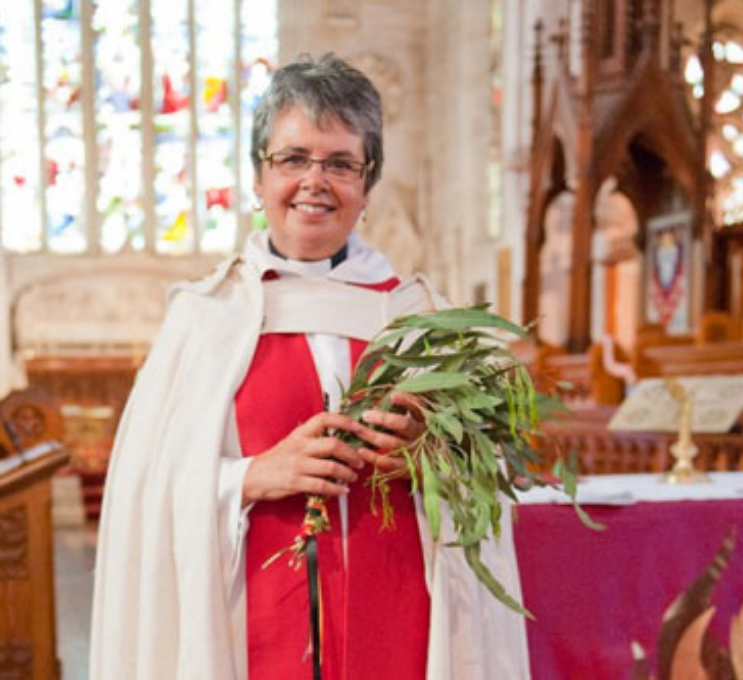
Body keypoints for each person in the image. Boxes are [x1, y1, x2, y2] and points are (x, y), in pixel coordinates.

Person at [90, 54, 530, 679]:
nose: (314, 181)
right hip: (251, 630)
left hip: (400, 622)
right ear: (258, 175)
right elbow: (144, 493)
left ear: (368, 183)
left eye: (341, 163)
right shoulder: (204, 318)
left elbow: (487, 491)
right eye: (293, 158)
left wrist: (429, 456)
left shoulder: (419, 320)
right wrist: (250, 477)